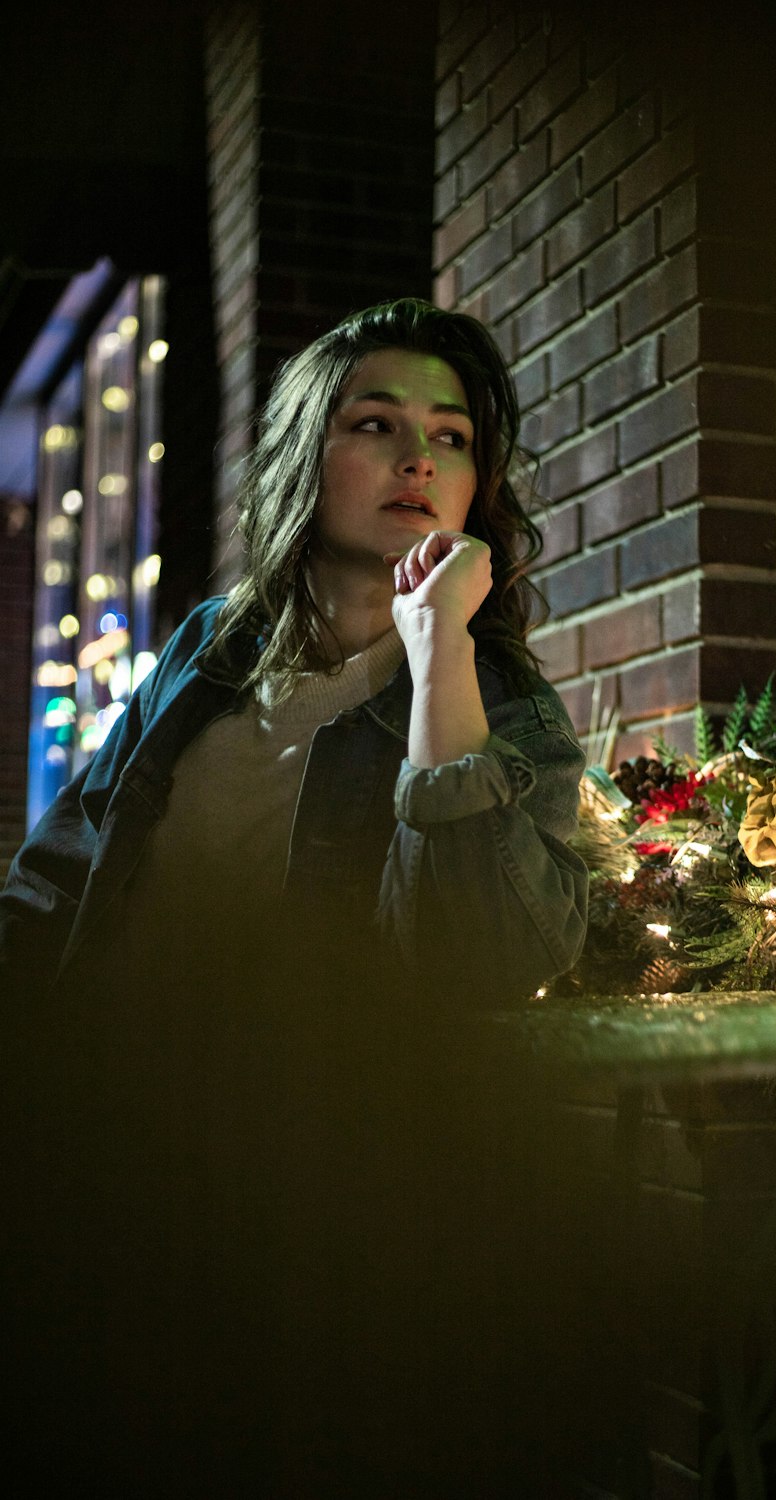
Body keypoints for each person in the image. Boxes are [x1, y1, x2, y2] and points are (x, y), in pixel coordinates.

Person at [1, 298, 590, 1495]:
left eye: (453, 436)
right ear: (303, 458)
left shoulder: (505, 699)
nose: (420, 457)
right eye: (376, 423)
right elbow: (65, 867)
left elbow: (473, 956)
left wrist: (440, 656)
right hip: (113, 1182)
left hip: (327, 1219)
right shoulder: (212, 648)